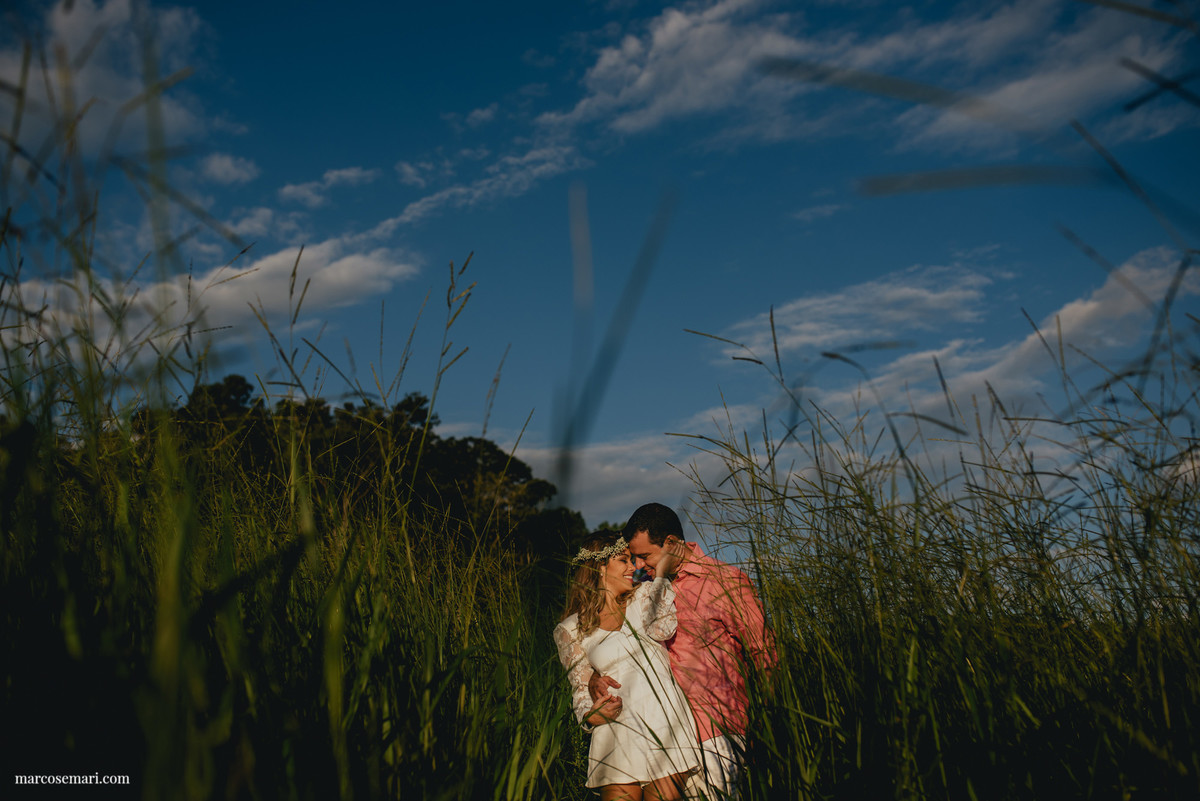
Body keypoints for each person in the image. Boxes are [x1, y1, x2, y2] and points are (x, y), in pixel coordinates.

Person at [590, 503, 776, 801]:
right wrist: (592, 681)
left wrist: (762, 723)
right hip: (662, 732)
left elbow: (764, 654)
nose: (638, 565)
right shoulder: (640, 586)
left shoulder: (725, 581)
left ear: (672, 544)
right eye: (634, 557)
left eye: (645, 555)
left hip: (715, 729)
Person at [554, 530, 701, 800]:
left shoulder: (645, 594)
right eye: (624, 560)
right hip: (617, 729)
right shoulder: (570, 629)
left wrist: (658, 578)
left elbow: (664, 629)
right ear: (600, 567)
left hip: (665, 720)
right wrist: (591, 716)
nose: (634, 567)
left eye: (633, 560)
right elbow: (581, 693)